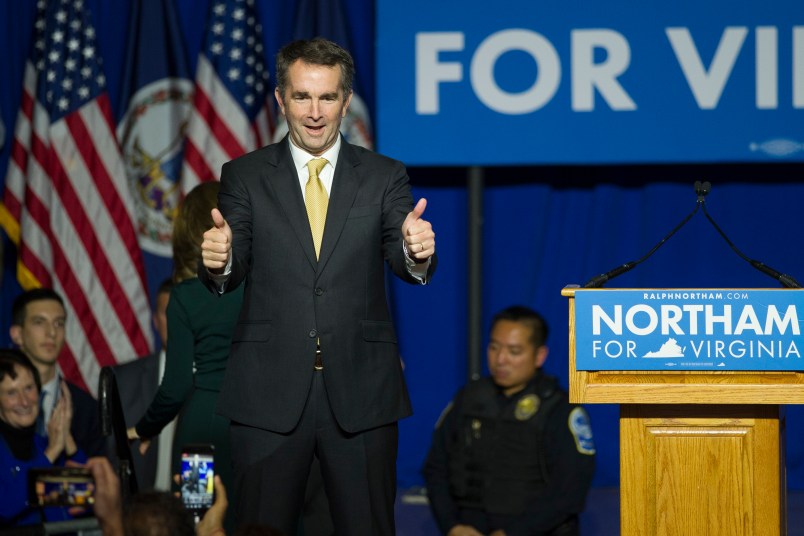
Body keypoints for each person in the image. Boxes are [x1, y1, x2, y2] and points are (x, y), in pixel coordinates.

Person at [199, 37, 437, 534]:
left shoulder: (383, 175)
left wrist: (416, 251)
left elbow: (402, 255)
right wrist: (220, 261)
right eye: (302, 97)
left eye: (327, 98)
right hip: (267, 395)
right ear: (281, 99)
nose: (314, 112)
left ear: (346, 101)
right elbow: (232, 262)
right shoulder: (243, 176)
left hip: (361, 394)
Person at [128, 181, 243, 531]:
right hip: (259, 425)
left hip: (200, 432)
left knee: (196, 518)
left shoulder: (184, 297)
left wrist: (146, 428)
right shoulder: (262, 289)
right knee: (255, 518)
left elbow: (176, 386)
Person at [422, 306, 596, 536]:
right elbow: (436, 468)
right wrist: (453, 526)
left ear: (539, 355)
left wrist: (512, 533)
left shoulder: (560, 409)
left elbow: (570, 490)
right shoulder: (469, 399)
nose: (500, 359)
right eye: (494, 347)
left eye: (514, 351)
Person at [9, 288, 106, 457]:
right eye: (39, 322)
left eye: (59, 323)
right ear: (17, 334)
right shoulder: (3, 400)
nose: (52, 333)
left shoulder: (87, 409)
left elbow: (97, 475)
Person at [0, 348, 87, 526]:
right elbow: (5, 507)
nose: (24, 401)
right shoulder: (48, 452)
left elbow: (84, 497)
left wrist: (69, 443)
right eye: (11, 393)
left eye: (29, 388)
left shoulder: (43, 446)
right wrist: (50, 454)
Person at [111, 277, 175, 491]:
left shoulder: (221, 380)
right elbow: (112, 457)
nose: (177, 320)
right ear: (155, 322)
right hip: (140, 511)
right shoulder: (123, 380)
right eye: (168, 312)